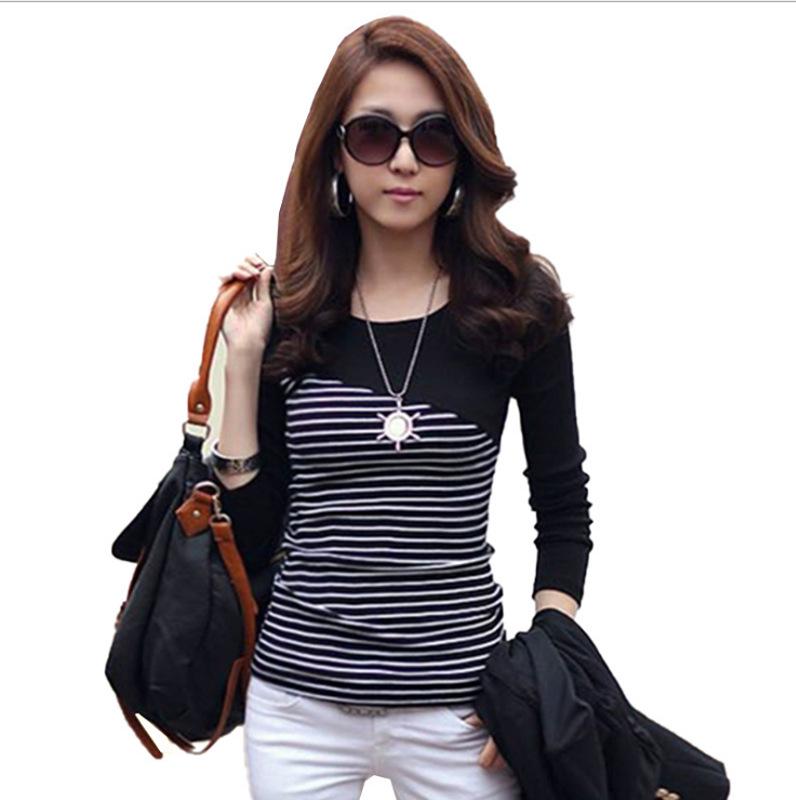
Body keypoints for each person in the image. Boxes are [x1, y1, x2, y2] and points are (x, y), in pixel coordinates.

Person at [210, 15, 593, 800]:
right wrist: (241, 365)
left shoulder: (518, 305)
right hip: (298, 709)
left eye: (435, 136)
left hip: (464, 712)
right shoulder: (289, 308)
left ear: (465, 153)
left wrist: (546, 664)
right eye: (375, 134)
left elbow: (562, 505)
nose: (406, 160)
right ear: (335, 151)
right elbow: (253, 532)